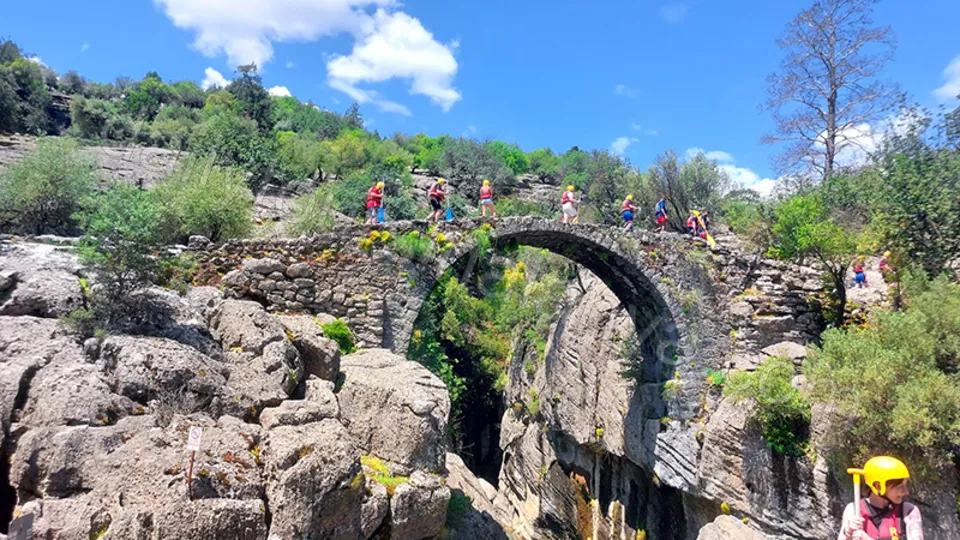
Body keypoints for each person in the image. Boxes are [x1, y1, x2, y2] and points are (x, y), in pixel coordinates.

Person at [839, 456, 923, 540]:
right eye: (899, 486)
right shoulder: (854, 510)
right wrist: (848, 534)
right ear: (878, 486)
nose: (906, 491)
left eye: (905, 485)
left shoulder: (908, 511)